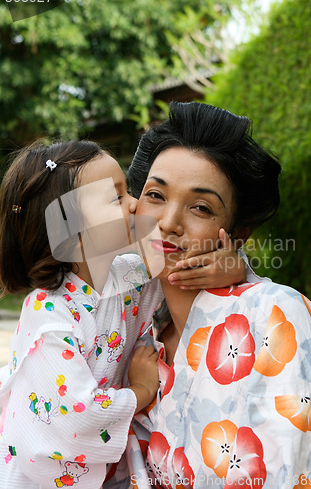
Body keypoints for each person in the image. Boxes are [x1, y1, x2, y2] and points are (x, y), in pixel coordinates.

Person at [108, 102, 311, 489]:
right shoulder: (130, 324)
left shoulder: (276, 312)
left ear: (237, 233)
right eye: (156, 195)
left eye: (201, 207)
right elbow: (50, 245)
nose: (167, 223)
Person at [0, 140, 247, 488]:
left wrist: (233, 266)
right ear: (69, 234)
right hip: (34, 476)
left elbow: (183, 268)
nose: (135, 204)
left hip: (98, 464)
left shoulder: (128, 275)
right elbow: (73, 414)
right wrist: (141, 390)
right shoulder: (49, 312)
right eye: (117, 198)